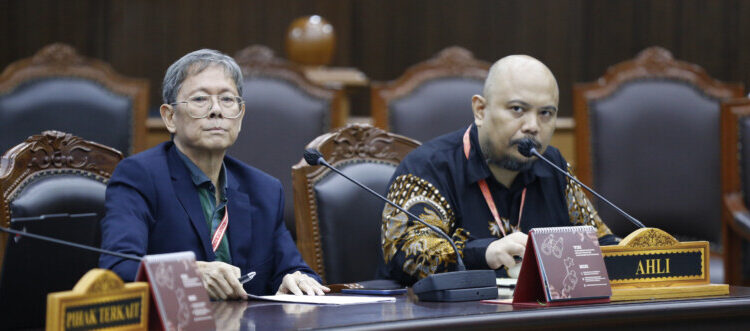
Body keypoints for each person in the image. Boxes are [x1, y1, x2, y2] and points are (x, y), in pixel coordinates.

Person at [99, 49, 329, 299]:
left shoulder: (263, 189)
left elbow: (294, 269)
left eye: (228, 100)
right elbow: (118, 269)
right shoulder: (140, 177)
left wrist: (296, 279)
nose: (216, 110)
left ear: (239, 117)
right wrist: (189, 274)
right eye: (200, 99)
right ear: (170, 117)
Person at [379, 55, 618, 285]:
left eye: (545, 113)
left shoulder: (554, 166)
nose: (533, 127)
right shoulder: (427, 167)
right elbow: (404, 251)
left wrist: (633, 251)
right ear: (480, 110)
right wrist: (484, 253)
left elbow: (599, 242)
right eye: (517, 109)